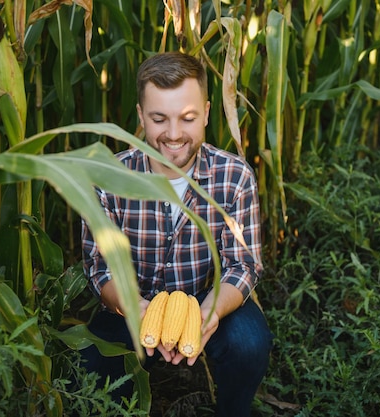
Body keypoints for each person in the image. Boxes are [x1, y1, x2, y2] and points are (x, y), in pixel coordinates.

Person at [80, 51, 273, 417]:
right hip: (133, 301)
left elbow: (243, 265)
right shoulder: (107, 178)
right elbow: (99, 266)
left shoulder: (235, 177)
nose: (172, 134)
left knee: (250, 343)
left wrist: (207, 314)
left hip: (206, 293)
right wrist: (136, 310)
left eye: (187, 118)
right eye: (158, 119)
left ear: (206, 113)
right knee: (90, 367)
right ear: (140, 116)